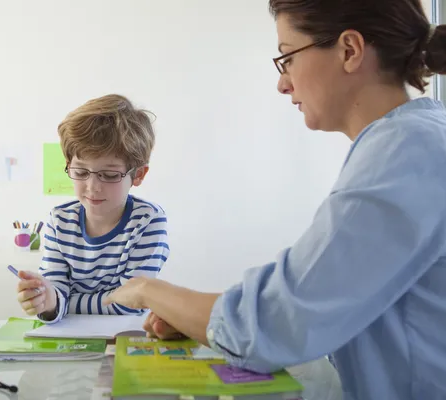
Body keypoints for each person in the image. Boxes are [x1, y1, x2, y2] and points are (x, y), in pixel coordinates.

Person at [104, 1, 446, 399]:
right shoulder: (411, 140)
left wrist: (149, 289)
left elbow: (276, 324)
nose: (283, 83)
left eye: (287, 58)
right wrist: (199, 318)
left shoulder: (406, 152)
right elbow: (311, 299)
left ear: (349, 50)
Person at [17, 94, 169, 323]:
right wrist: (46, 300)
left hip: (125, 336)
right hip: (69, 339)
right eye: (80, 172)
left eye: (109, 175)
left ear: (138, 175)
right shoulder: (59, 220)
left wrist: (64, 302)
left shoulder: (147, 221)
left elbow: (131, 304)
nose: (92, 187)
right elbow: (54, 296)